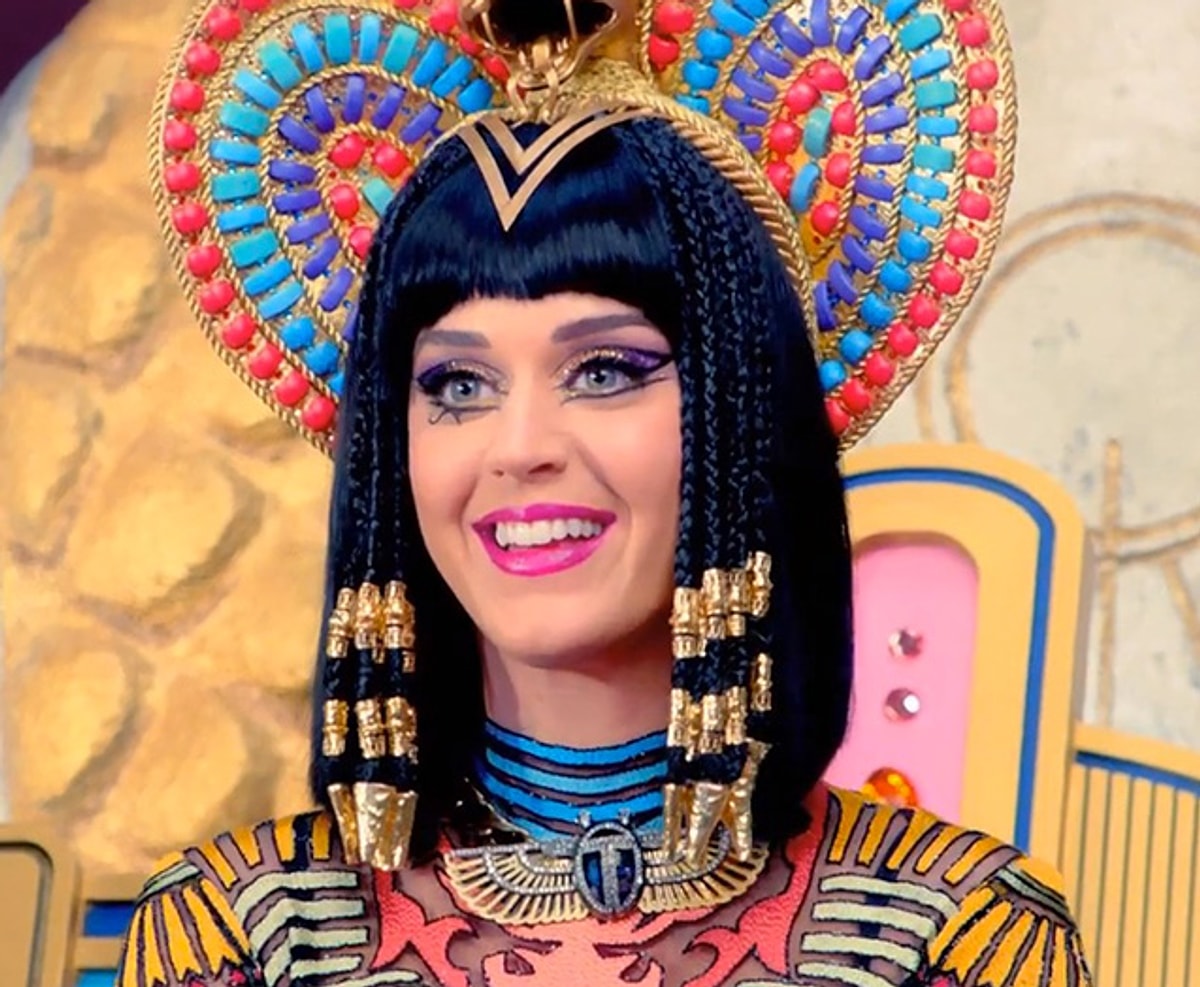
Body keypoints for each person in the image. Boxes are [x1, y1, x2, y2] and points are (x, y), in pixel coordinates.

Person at [122, 1, 1092, 984]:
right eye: (457, 385)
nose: (520, 448)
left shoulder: (958, 934)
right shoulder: (242, 929)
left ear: (745, 417)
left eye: (604, 372)